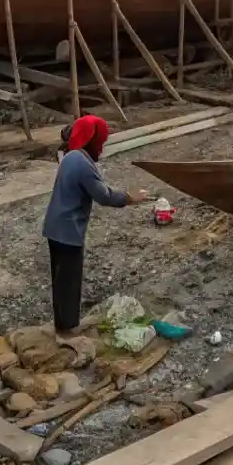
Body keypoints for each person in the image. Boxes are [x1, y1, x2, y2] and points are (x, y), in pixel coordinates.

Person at [42, 115, 150, 334]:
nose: (101, 149)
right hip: (68, 230)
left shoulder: (71, 156)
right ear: (91, 141)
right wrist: (130, 197)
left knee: (61, 280)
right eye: (99, 143)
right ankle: (67, 331)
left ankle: (61, 324)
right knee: (69, 282)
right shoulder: (82, 163)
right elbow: (103, 195)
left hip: (55, 227)